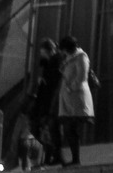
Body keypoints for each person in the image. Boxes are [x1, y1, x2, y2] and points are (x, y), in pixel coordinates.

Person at [57, 35, 98, 166]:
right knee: (69, 129)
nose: (61, 52)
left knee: (70, 128)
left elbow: (82, 76)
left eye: (62, 49)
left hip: (77, 99)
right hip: (69, 99)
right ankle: (75, 159)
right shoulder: (69, 58)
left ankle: (76, 159)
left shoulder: (81, 57)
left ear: (67, 48)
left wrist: (70, 88)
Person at [32, 38, 63, 165]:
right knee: (47, 130)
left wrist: (44, 82)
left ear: (49, 51)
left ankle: (55, 155)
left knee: (50, 129)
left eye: (43, 52)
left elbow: (53, 83)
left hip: (50, 102)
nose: (41, 55)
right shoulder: (47, 63)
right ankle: (53, 155)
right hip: (46, 102)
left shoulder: (56, 62)